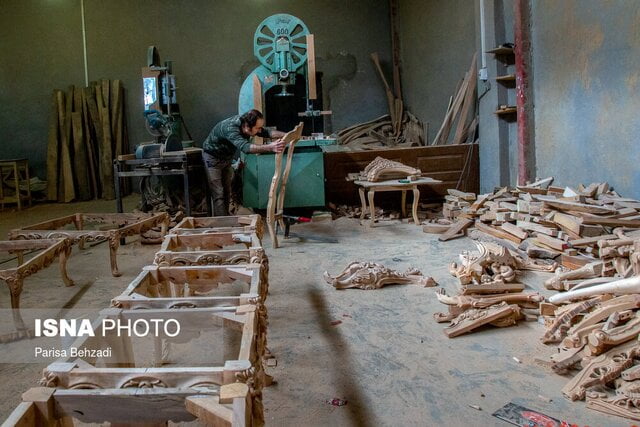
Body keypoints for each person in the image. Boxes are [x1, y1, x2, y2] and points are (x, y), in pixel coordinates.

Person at [202, 109, 286, 216]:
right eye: (257, 128)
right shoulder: (231, 129)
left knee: (227, 191)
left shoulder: (247, 123)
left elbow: (266, 132)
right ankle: (222, 224)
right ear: (247, 127)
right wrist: (270, 147)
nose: (260, 131)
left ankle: (226, 219)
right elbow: (246, 148)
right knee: (218, 194)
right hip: (212, 159)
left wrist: (287, 135)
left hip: (226, 159)